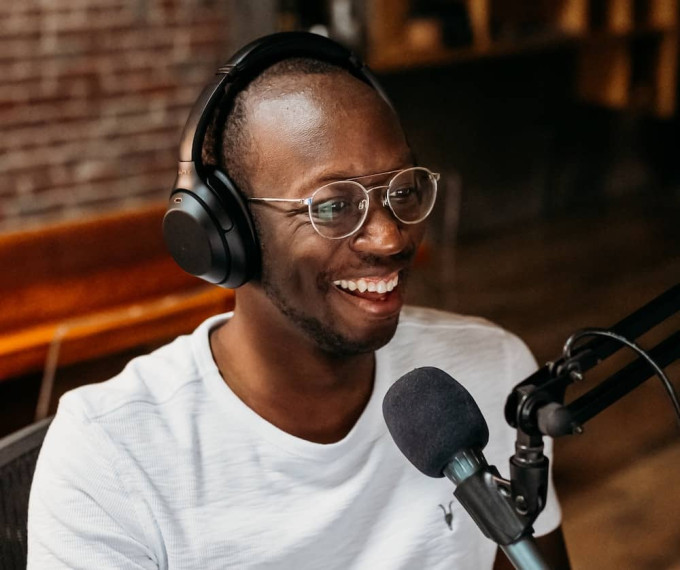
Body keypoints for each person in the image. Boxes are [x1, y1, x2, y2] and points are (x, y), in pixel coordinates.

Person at [28, 32, 570, 569]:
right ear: (227, 232)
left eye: (401, 191)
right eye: (332, 207)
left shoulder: (492, 370)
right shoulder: (108, 456)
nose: (390, 239)